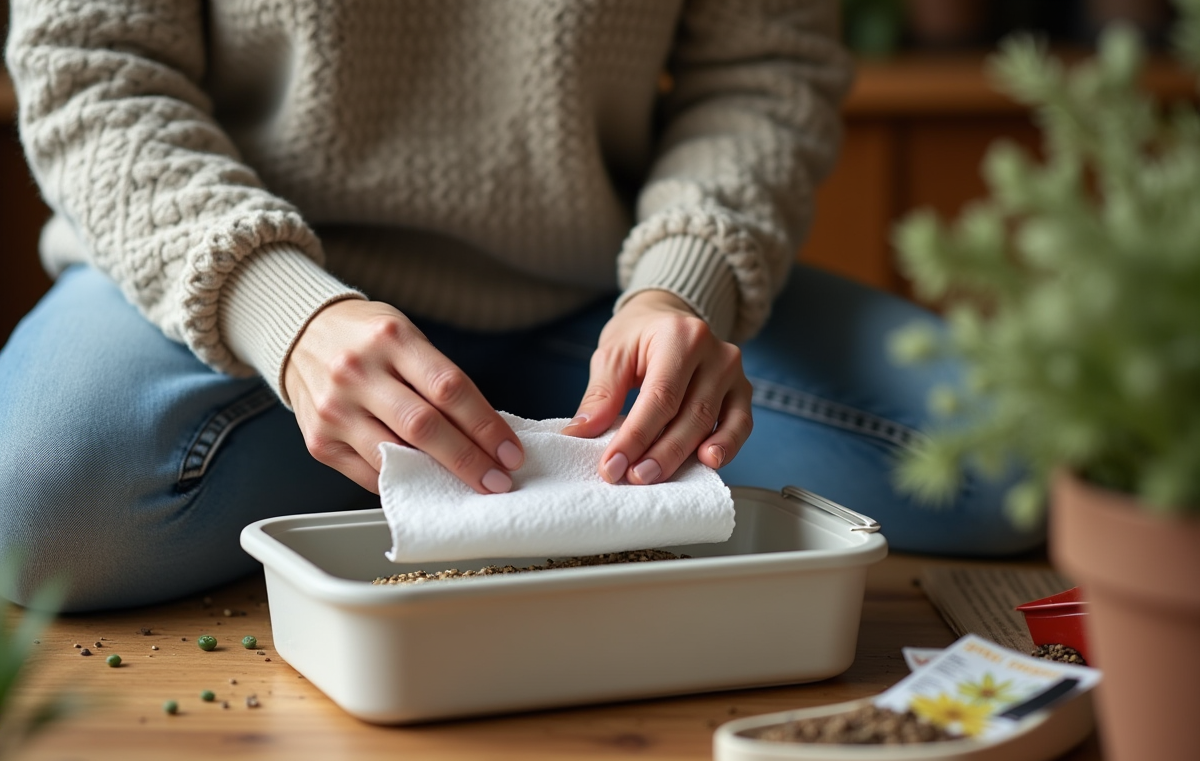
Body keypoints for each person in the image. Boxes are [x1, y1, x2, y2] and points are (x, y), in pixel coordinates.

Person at [0, 0, 1040, 612]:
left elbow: (768, 66)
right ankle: (472, 473)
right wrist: (287, 315)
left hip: (605, 296)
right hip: (242, 297)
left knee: (1012, 461)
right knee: (34, 505)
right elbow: (93, 72)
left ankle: (463, 474)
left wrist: (683, 283)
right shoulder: (263, 300)